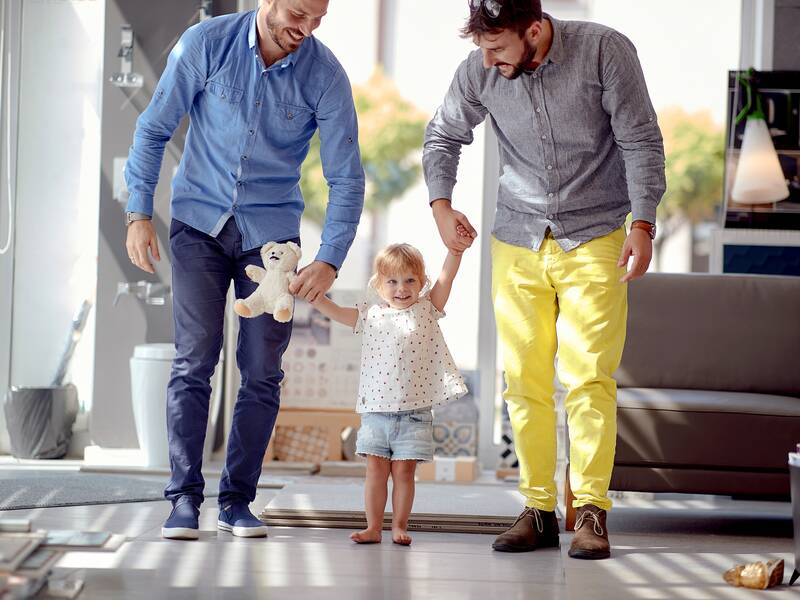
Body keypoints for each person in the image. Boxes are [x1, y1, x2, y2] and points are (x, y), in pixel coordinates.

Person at [423, 0, 665, 559]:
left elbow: (641, 139)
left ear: (534, 30)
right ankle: (536, 510)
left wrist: (644, 222)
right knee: (523, 383)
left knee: (588, 380)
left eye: (499, 47)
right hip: (517, 238)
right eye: (481, 48)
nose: (488, 59)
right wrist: (441, 206)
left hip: (597, 232)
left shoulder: (605, 50)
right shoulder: (480, 67)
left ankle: (591, 513)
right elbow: (442, 134)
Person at [123, 0, 364, 540]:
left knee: (261, 368)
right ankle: (183, 499)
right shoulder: (206, 44)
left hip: (271, 238)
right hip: (198, 225)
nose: (306, 29)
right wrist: (139, 212)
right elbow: (153, 127)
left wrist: (329, 258)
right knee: (195, 358)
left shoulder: (324, 75)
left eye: (318, 19)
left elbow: (347, 176)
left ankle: (237, 501)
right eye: (299, 14)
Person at [310, 243, 468, 545]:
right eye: (392, 281)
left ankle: (399, 525)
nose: (401, 289)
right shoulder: (371, 315)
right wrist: (317, 299)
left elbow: (446, 279)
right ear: (378, 284)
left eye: (410, 280)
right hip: (376, 412)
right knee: (375, 472)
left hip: (414, 413)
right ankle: (372, 527)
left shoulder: (427, 308)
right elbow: (337, 312)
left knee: (405, 474)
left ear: (421, 283)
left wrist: (455, 253)